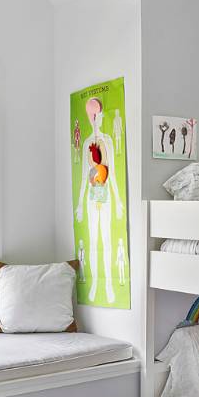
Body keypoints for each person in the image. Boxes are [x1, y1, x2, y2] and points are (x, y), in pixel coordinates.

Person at [75, 96, 123, 304]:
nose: (99, 118)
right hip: (92, 197)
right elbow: (83, 179)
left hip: (106, 197)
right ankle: (95, 282)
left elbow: (112, 175)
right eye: (97, 115)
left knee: (107, 240)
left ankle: (109, 283)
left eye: (100, 114)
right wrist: (79, 204)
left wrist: (118, 201)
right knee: (94, 241)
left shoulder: (108, 141)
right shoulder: (87, 143)